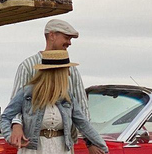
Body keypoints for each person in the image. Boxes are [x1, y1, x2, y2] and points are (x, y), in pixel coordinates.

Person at [9, 19, 101, 154]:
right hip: (33, 145)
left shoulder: (72, 71)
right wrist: (16, 125)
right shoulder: (28, 66)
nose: (69, 43)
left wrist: (90, 142)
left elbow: (82, 107)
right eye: (66, 37)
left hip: (63, 144)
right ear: (52, 35)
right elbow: (15, 104)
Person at [0, 50, 108, 154]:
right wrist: (10, 137)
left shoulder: (67, 97)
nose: (69, 74)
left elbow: (84, 124)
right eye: (66, 70)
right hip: (34, 150)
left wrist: (103, 147)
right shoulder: (27, 93)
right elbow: (5, 117)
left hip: (60, 148)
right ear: (57, 73)